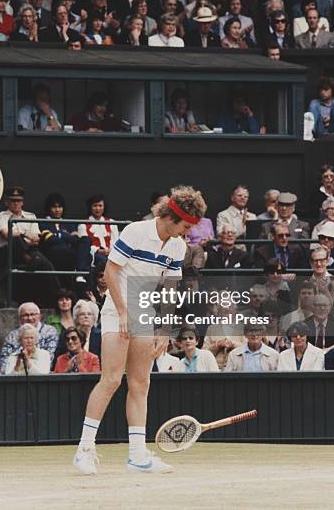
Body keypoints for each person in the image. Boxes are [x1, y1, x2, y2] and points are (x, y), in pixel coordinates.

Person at [73, 185, 206, 475]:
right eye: (185, 226)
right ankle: (84, 450)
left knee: (140, 383)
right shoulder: (135, 231)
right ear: (172, 216)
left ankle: (137, 456)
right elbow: (110, 272)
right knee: (110, 380)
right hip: (117, 310)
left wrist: (164, 327)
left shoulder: (177, 245)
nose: (187, 232)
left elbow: (170, 289)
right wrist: (122, 312)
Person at [0, 186, 60, 302]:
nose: (16, 204)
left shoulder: (30, 216)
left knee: (48, 266)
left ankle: (58, 297)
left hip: (32, 250)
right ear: (7, 202)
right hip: (10, 252)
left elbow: (36, 238)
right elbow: (7, 234)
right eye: (12, 201)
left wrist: (20, 235)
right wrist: (24, 236)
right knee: (15, 239)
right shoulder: (2, 216)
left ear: (22, 202)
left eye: (18, 201)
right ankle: (30, 260)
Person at [39, 192, 91, 282]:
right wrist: (67, 236)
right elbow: (51, 240)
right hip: (53, 253)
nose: (58, 210)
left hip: (69, 252)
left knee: (85, 240)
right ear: (49, 208)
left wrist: (59, 235)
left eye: (60, 207)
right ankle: (79, 274)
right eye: (54, 207)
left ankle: (79, 274)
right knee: (86, 257)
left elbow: (76, 240)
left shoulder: (68, 222)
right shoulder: (43, 222)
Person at [0, 302, 58, 373]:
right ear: (20, 318)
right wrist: (16, 365)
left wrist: (29, 361)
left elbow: (49, 359)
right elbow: (4, 361)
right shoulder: (12, 335)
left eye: (32, 314)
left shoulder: (49, 331)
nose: (29, 318)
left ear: (39, 316)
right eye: (26, 315)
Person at [77, 194, 119, 266]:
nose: (98, 208)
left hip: (111, 255)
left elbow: (115, 242)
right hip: (94, 256)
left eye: (100, 206)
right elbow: (84, 246)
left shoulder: (111, 222)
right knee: (103, 261)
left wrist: (109, 251)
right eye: (95, 206)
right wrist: (98, 250)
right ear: (90, 207)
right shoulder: (83, 224)